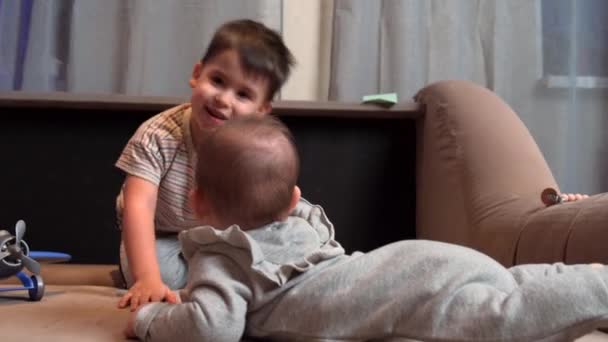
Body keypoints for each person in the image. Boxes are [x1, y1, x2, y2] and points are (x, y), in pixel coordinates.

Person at [125, 116, 608, 341]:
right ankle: (590, 276)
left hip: (408, 296)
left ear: (196, 203)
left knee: (506, 311)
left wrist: (148, 323)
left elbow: (212, 329)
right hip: (407, 262)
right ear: (295, 200)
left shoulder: (224, 255)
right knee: (515, 282)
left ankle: (600, 287)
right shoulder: (302, 222)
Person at [114, 19, 295, 310]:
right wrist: (147, 278)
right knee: (163, 271)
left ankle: (232, 286)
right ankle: (207, 289)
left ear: (261, 110)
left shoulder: (255, 149)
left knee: (284, 231)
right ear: (197, 74)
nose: (223, 99)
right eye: (218, 81)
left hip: (222, 238)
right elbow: (139, 207)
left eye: (243, 95)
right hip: (163, 238)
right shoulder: (157, 135)